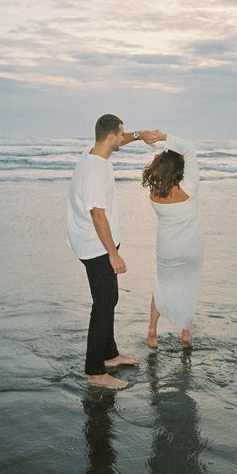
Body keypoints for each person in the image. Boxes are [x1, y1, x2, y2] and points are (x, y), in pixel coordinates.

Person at [67, 114, 158, 390]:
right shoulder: (95, 171)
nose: (124, 137)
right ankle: (95, 373)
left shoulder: (94, 153)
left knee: (110, 299)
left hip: (94, 242)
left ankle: (109, 354)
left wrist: (140, 135)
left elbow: (120, 138)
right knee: (103, 304)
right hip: (95, 246)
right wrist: (113, 254)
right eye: (121, 134)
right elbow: (97, 216)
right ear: (110, 137)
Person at [141, 132, 204, 350]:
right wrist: (166, 136)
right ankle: (185, 333)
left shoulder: (154, 194)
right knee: (189, 287)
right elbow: (189, 149)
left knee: (161, 286)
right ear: (180, 168)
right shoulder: (188, 188)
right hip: (191, 248)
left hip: (167, 247)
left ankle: (152, 331)